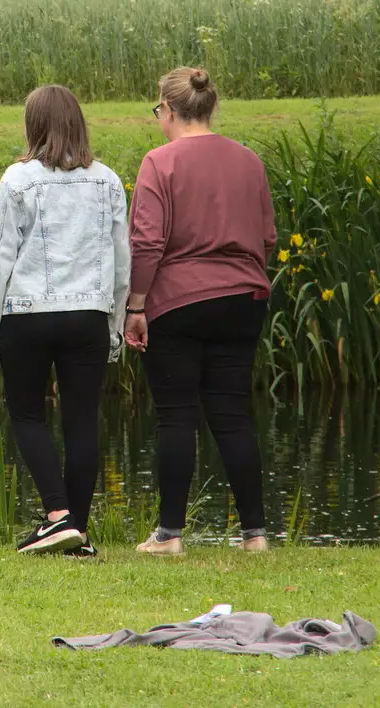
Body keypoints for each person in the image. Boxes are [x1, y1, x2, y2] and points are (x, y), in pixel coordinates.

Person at [0, 85, 128, 557]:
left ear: (33, 126)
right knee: (82, 420)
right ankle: (77, 531)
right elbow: (122, 261)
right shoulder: (107, 181)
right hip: (88, 317)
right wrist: (115, 326)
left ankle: (58, 517)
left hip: (28, 314)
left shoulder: (18, 181)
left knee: (26, 413)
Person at [125, 68, 275, 555]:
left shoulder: (158, 162)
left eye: (158, 112)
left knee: (176, 417)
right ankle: (255, 534)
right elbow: (267, 236)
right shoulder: (249, 160)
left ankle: (170, 534)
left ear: (169, 110)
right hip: (244, 298)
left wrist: (136, 304)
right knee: (232, 414)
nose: (158, 121)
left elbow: (147, 243)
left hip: (179, 302)